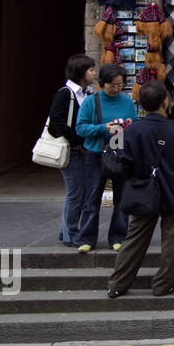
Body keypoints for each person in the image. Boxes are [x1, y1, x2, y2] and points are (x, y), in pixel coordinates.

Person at [107, 81, 174, 298]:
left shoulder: (129, 131)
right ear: (165, 101)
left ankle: (118, 283)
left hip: (142, 191)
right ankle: (163, 284)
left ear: (141, 104)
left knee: (134, 239)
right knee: (171, 240)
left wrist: (132, 178)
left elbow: (116, 161)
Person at [74, 64, 137, 252]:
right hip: (95, 154)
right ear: (102, 84)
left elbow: (136, 125)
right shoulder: (91, 102)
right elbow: (80, 128)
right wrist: (104, 128)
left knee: (121, 197)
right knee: (92, 197)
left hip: (119, 153)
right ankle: (86, 238)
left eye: (120, 85)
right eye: (112, 86)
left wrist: (128, 126)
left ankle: (118, 236)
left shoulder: (127, 103)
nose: (117, 89)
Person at [48, 54, 96, 247]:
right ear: (80, 72)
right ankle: (71, 234)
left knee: (81, 191)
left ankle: (65, 229)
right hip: (71, 149)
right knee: (75, 193)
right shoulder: (65, 93)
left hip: (84, 149)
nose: (94, 73)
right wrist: (76, 140)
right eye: (90, 70)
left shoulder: (88, 93)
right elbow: (57, 120)